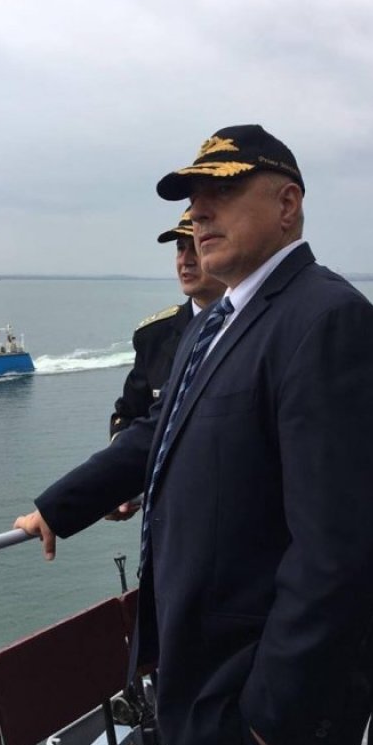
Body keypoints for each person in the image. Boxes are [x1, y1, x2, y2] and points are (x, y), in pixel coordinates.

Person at [15, 124, 373, 745]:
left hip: (257, 689)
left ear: (287, 205)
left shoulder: (330, 323)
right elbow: (160, 432)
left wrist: (271, 721)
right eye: (192, 197)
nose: (198, 212)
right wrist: (60, 506)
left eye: (222, 191)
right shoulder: (219, 322)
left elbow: (341, 554)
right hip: (202, 668)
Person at [106, 211, 225, 522]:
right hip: (168, 521)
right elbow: (129, 416)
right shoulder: (154, 336)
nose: (185, 260)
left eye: (195, 247)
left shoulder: (258, 326)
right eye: (179, 249)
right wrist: (119, 482)